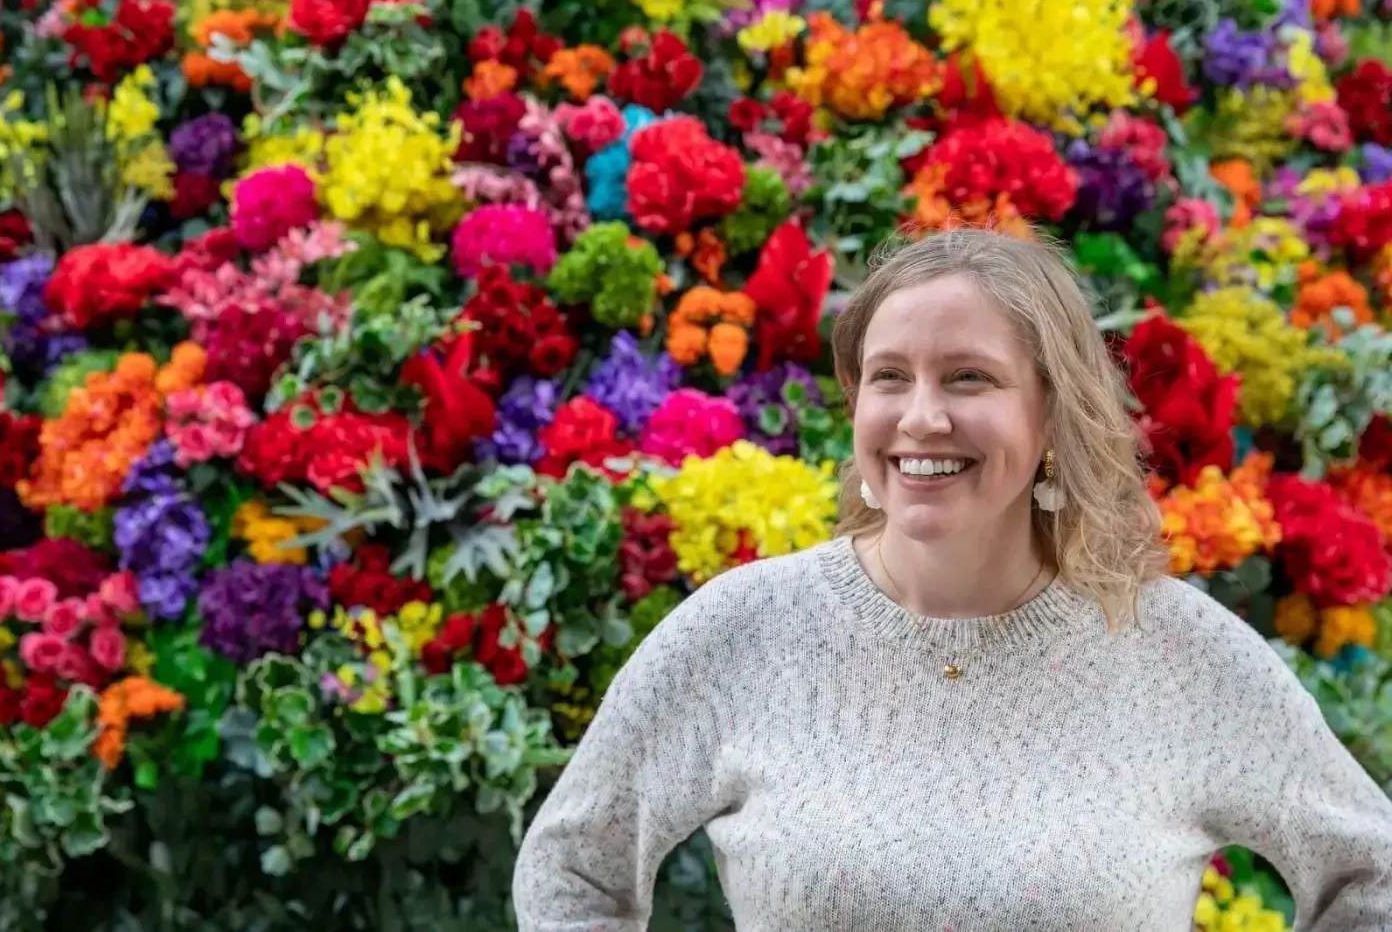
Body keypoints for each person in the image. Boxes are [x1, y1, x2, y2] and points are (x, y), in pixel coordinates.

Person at [510, 228, 1392, 929]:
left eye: (969, 378)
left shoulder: (1175, 653)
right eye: (890, 377)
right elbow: (572, 871)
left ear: (1051, 412)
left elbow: (1372, 878)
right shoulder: (745, 630)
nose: (922, 417)